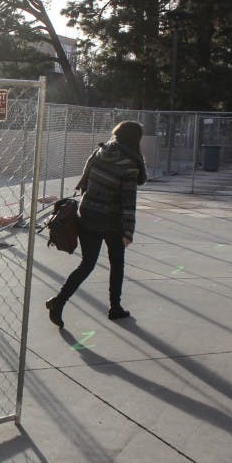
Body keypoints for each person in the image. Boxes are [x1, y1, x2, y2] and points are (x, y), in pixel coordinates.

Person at [46, 120, 147, 327]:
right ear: (135, 141)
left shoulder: (99, 152)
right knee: (116, 264)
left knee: (87, 264)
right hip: (111, 221)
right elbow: (129, 203)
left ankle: (59, 301)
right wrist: (128, 231)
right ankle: (115, 307)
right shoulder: (129, 166)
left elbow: (84, 181)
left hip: (87, 215)